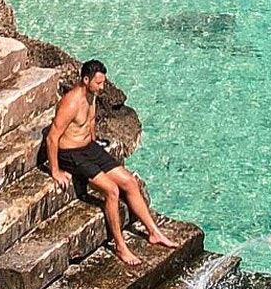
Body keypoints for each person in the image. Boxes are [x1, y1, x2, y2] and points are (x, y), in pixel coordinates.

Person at [43, 59, 177, 266]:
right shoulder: (71, 102)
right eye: (98, 83)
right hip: (72, 154)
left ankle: (154, 232)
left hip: (89, 149)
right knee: (112, 190)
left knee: (130, 182)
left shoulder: (92, 95)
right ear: (85, 80)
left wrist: (94, 142)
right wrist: (55, 171)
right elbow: (52, 138)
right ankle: (120, 246)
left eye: (103, 82)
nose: (102, 87)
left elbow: (91, 121)